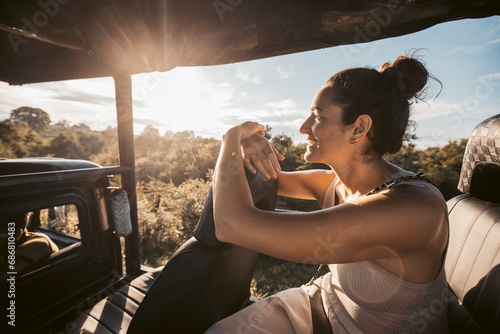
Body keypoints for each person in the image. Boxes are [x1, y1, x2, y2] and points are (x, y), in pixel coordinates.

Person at [206, 54, 449, 333]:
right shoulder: (333, 184)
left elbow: (233, 225)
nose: (303, 127)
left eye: (318, 116)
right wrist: (249, 146)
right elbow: (265, 178)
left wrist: (232, 138)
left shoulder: (412, 208)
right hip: (323, 305)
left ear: (358, 128)